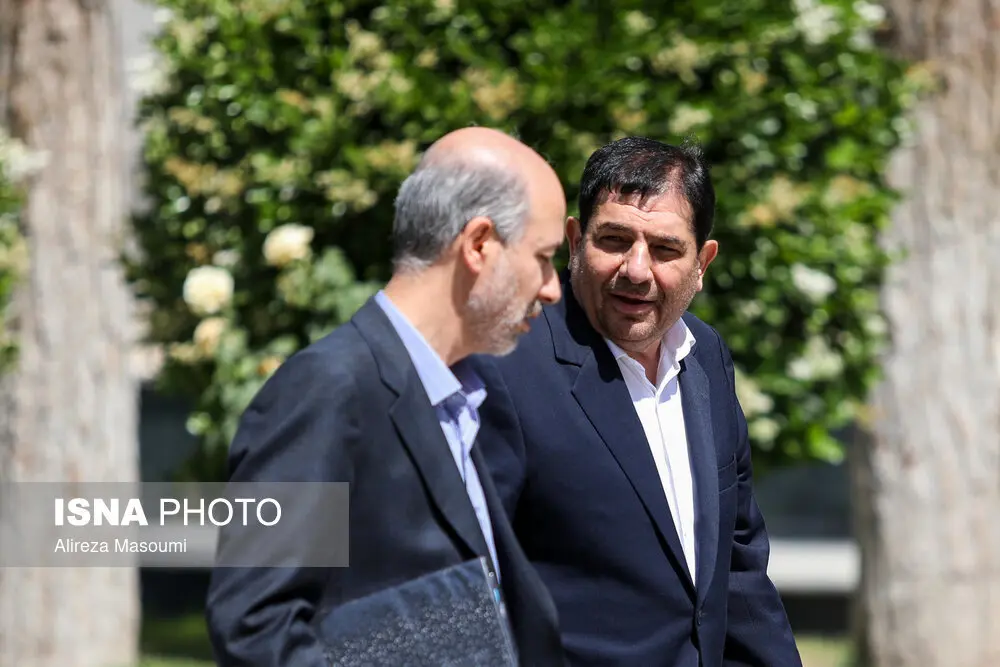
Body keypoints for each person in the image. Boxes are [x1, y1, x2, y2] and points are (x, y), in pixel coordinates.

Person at [204, 126, 568, 666]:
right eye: (544, 256)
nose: (553, 287)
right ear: (479, 244)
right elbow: (254, 629)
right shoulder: (327, 388)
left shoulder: (462, 397)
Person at [472, 136, 803, 666]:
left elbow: (738, 571)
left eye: (666, 249)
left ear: (703, 262)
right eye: (614, 240)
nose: (636, 269)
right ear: (575, 241)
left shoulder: (706, 355)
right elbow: (466, 578)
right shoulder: (505, 363)